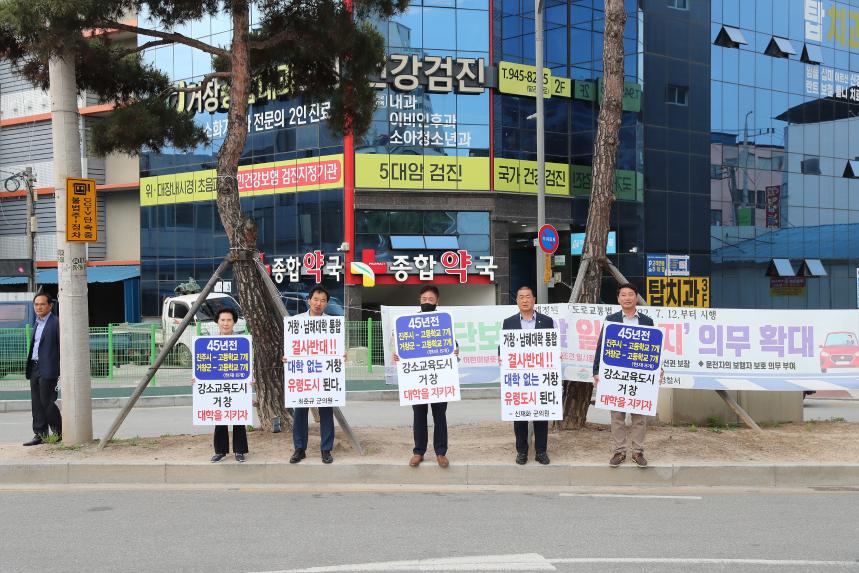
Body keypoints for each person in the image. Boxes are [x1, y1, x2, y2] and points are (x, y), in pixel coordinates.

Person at [592, 283, 661, 468]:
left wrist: (657, 369)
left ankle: (638, 452)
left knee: (639, 416)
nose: (627, 298)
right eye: (623, 295)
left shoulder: (647, 321)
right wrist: (597, 371)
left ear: (636, 297)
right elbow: (602, 346)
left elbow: (654, 348)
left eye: (631, 294)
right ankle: (619, 451)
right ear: (618, 299)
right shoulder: (611, 319)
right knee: (617, 417)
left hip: (639, 376)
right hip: (616, 375)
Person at [392, 285, 458, 468]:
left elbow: (453, 346)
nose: (426, 302)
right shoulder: (409, 323)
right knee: (419, 415)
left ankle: (440, 453)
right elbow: (401, 349)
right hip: (417, 380)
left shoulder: (444, 322)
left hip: (439, 378)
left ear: (438, 301)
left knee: (440, 416)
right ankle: (419, 451)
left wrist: (455, 351)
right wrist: (397, 355)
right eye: (423, 300)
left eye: (430, 299)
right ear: (419, 301)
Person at [502, 285, 556, 466]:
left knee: (541, 415)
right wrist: (502, 357)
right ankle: (522, 451)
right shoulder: (508, 322)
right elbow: (504, 347)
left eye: (528, 297)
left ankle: (541, 451)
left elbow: (552, 346)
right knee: (520, 416)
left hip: (540, 376)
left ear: (534, 300)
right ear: (516, 300)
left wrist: (555, 356)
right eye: (521, 297)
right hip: (519, 377)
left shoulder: (547, 321)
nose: (524, 300)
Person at [284, 285, 336, 465]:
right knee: (300, 411)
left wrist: (341, 355)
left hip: (324, 374)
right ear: (308, 300)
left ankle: (326, 449)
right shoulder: (296, 321)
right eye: (315, 299)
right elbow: (290, 348)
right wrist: (286, 357)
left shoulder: (332, 323)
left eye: (322, 301)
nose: (318, 303)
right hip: (302, 374)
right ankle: (300, 449)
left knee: (326, 412)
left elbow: (336, 349)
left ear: (327, 303)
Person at [210, 307, 249, 462]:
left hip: (237, 383)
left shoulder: (242, 341)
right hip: (217, 385)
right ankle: (220, 451)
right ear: (217, 322)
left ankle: (240, 450)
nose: (226, 323)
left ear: (234, 322)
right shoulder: (209, 343)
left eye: (229, 320)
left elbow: (247, 363)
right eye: (223, 320)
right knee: (220, 417)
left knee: (238, 416)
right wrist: (196, 379)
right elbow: (203, 366)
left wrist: (250, 377)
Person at [23, 293, 62, 446]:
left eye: (42, 304)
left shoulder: (56, 323)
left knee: (47, 401)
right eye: (36, 304)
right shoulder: (37, 323)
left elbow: (61, 347)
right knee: (36, 402)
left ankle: (58, 432)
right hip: (34, 367)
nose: (38, 307)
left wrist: (60, 369)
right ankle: (40, 434)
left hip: (49, 368)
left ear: (50, 306)